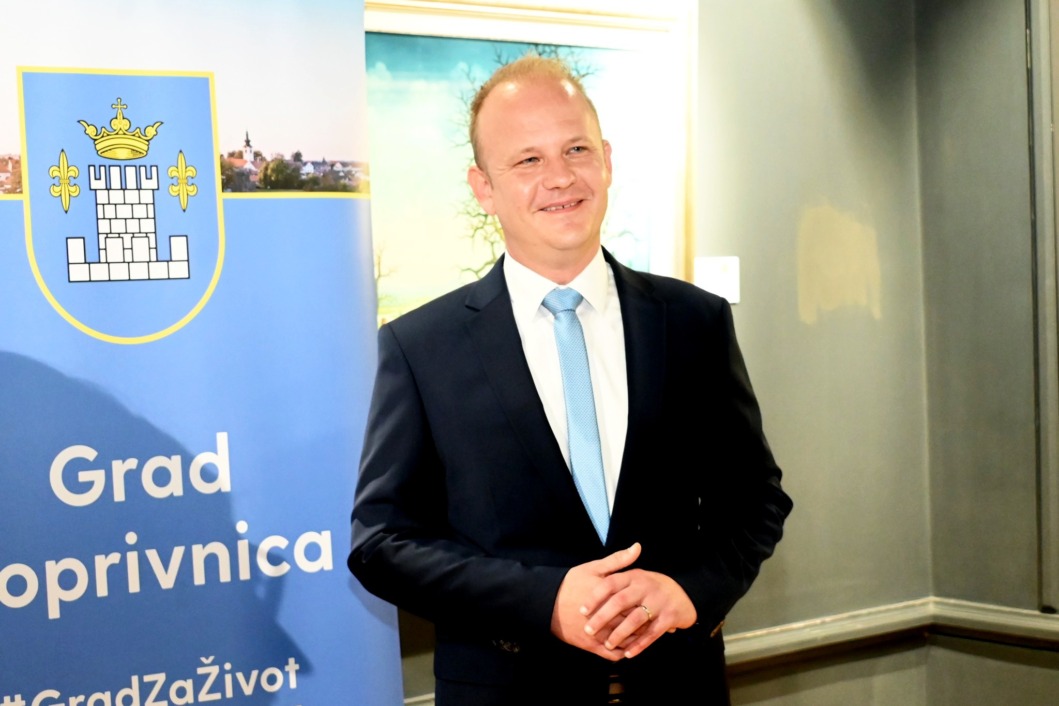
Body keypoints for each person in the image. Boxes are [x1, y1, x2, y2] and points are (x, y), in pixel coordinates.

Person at [348, 55, 792, 705]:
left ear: (606, 160)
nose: (559, 177)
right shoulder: (421, 348)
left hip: (678, 689)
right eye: (527, 159)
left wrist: (689, 591)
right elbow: (381, 543)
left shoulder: (694, 322)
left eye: (575, 149)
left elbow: (754, 501)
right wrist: (544, 600)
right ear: (483, 188)